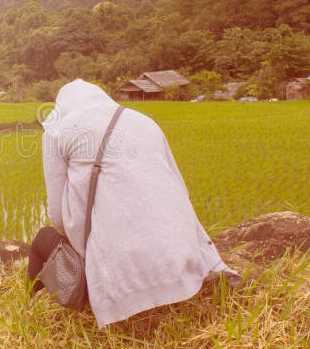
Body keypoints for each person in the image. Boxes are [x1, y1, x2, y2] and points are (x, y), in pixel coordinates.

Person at [28, 79, 239, 328]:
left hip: (118, 275)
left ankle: (30, 306)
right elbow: (179, 188)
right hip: (180, 260)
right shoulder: (144, 122)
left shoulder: (57, 132)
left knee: (43, 238)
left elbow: (58, 219)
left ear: (62, 106)